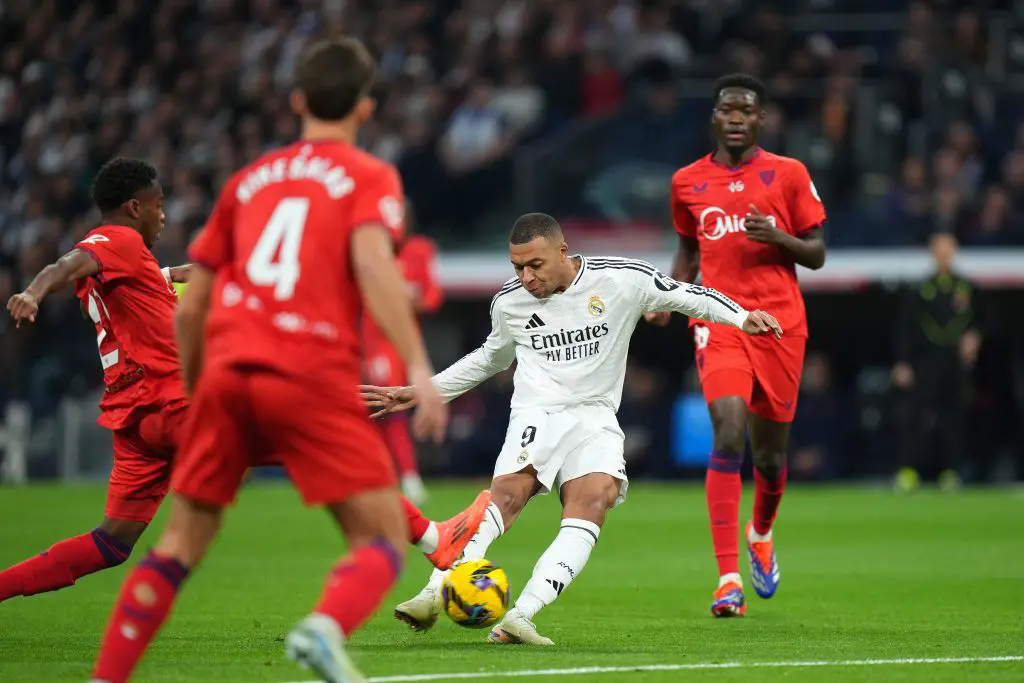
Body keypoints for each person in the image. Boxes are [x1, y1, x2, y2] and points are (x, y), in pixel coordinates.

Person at [1, 158, 489, 609]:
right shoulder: (117, 242)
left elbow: (172, 278)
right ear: (134, 207)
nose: (164, 215)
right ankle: (433, 539)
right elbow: (67, 264)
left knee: (110, 542)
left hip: (137, 423)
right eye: (158, 204)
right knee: (324, 441)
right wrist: (33, 291)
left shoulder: (135, 266)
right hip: (178, 406)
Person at [362, 212, 782, 645]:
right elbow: (491, 358)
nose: (526, 277)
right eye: (517, 267)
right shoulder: (510, 303)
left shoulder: (621, 280)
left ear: (563, 251)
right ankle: (434, 592)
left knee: (593, 502)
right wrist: (425, 391)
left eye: (535, 266)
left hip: (596, 415)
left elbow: (688, 296)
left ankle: (520, 616)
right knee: (509, 496)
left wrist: (742, 317)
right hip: (539, 411)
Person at [646, 73, 827, 617]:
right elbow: (687, 250)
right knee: (728, 430)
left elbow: (817, 253)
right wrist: (669, 295)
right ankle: (727, 580)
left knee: (770, 457)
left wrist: (779, 238)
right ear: (715, 116)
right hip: (719, 319)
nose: (737, 117)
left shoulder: (788, 174)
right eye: (728, 108)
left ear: (761, 119)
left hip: (779, 324)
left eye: (747, 109)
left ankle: (761, 532)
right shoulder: (687, 182)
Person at [362, 202, 444, 504]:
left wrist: (412, 299)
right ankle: (392, 477)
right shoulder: (370, 250)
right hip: (374, 342)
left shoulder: (420, 250)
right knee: (378, 409)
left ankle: (406, 478)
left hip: (405, 343)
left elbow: (433, 296)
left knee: (391, 409)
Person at [892, 231, 983, 492]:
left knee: (953, 418)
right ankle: (909, 470)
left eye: (948, 250)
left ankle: (951, 471)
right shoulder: (921, 289)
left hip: (954, 364)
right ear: (932, 254)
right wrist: (903, 361)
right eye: (939, 250)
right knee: (916, 416)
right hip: (924, 363)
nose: (943, 255)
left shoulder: (967, 288)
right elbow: (906, 327)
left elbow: (987, 320)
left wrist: (974, 336)